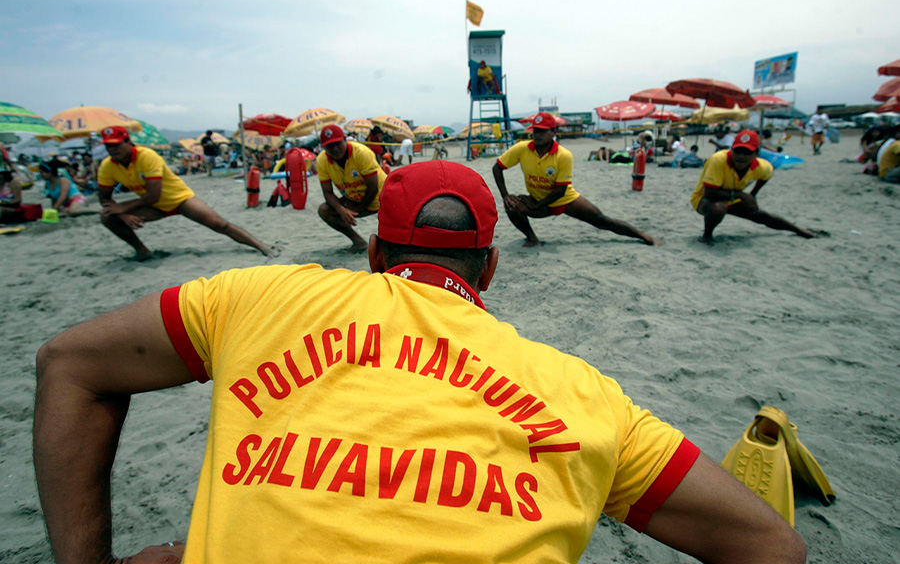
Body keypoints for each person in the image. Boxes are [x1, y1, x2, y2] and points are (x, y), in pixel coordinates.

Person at [33, 159, 805, 564]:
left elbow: (68, 361)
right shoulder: (589, 398)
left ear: (373, 254)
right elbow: (771, 545)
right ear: (490, 271)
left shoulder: (254, 301)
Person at [96, 126, 277, 261]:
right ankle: (142, 250)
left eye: (117, 145)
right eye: (109, 147)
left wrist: (123, 208)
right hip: (152, 206)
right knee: (107, 216)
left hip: (179, 199)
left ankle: (260, 245)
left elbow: (154, 195)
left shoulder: (146, 156)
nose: (113, 150)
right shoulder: (108, 166)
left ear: (128, 142)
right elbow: (104, 200)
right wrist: (122, 213)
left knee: (219, 224)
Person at [492, 114, 659, 247]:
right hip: (539, 201)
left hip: (565, 199)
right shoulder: (522, 148)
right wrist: (505, 195)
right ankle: (532, 238)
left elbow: (561, 190)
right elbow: (497, 167)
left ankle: (642, 235)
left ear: (553, 132)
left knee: (601, 221)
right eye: (536, 130)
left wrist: (538, 204)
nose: (538, 134)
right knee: (512, 206)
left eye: (543, 131)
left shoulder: (563, 155)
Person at [690, 130, 815, 244]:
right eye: (738, 151)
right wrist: (743, 195)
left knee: (761, 216)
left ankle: (798, 230)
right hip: (704, 199)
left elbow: (766, 176)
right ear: (731, 150)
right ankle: (707, 235)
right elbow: (710, 193)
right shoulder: (718, 160)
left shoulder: (763, 167)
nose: (741, 156)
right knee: (718, 207)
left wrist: (753, 195)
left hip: (732, 198)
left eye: (747, 152)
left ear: (756, 153)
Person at [315, 124, 387, 253]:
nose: (335, 148)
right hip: (353, 199)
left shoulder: (361, 153)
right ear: (323, 147)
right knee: (324, 210)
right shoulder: (322, 161)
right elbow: (327, 192)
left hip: (382, 198)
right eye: (330, 146)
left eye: (338, 143)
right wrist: (341, 210)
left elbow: (372, 188)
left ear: (345, 140)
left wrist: (356, 209)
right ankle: (359, 242)